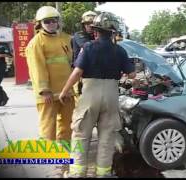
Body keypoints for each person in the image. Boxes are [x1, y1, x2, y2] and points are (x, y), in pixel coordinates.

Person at [59, 12, 136, 178]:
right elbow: (132, 75)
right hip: (111, 95)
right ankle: (103, 173)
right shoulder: (120, 50)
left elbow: (77, 72)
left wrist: (65, 91)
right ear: (113, 32)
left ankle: (77, 173)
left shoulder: (88, 47)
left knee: (81, 134)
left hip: (90, 94)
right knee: (107, 136)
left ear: (96, 31)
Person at [25, 5, 75, 169]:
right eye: (47, 21)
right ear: (40, 23)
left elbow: (73, 64)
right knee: (48, 126)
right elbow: (37, 68)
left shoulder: (66, 38)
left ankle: (64, 153)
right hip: (47, 94)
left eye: (54, 20)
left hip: (66, 91)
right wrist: (44, 91)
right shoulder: (36, 43)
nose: (51, 24)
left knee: (67, 124)